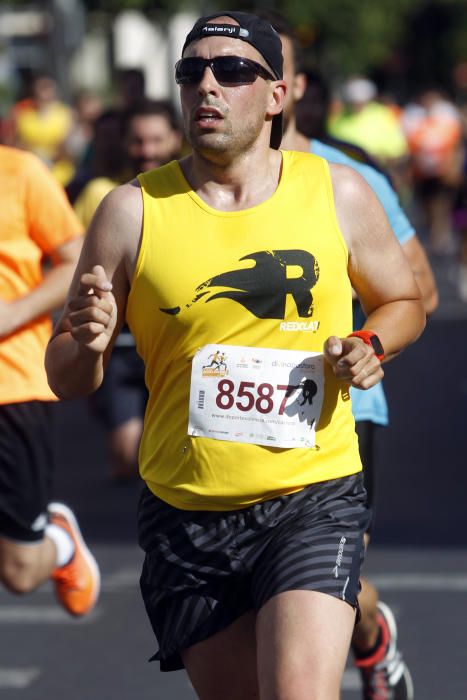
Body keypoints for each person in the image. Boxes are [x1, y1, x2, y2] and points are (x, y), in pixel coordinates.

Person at [45, 12, 425, 699]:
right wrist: (90, 343)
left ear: (277, 94)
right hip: (185, 511)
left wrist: (370, 344)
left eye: (233, 70)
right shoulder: (132, 211)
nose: (207, 86)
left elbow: (403, 299)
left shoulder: (334, 190)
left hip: (311, 495)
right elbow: (65, 374)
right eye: (191, 72)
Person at [268, 11, 438, 699]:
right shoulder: (181, 187)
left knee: (319, 578)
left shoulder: (344, 177)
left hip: (336, 408)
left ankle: (369, 637)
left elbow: (417, 290)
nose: (231, 80)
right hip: (225, 420)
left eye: (258, 64)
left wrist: (360, 346)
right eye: (209, 68)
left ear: (292, 85)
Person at [0, 144, 100, 617]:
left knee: (18, 571)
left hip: (12, 386)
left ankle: (58, 541)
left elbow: (74, 260)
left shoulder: (20, 172)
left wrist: (12, 314)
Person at [74, 99, 182, 481]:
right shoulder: (102, 194)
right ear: (123, 143)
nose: (147, 151)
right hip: (120, 348)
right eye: (138, 141)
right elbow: (77, 266)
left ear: (174, 138)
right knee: (127, 458)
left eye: (156, 140)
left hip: (177, 341)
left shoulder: (191, 196)